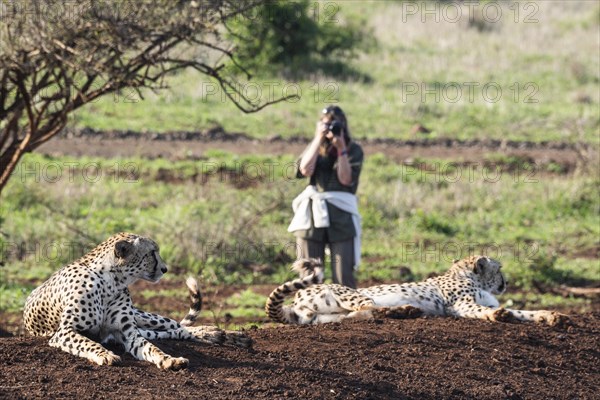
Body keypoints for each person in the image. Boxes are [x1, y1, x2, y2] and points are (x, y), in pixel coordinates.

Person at [287, 105, 364, 288]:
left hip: (341, 214)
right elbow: (305, 170)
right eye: (327, 124)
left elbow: (345, 179)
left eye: (336, 125)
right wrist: (317, 138)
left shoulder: (353, 149)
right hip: (312, 214)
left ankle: (348, 315)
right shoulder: (315, 146)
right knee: (309, 273)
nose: (331, 129)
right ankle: (309, 313)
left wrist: (341, 149)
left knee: (343, 275)